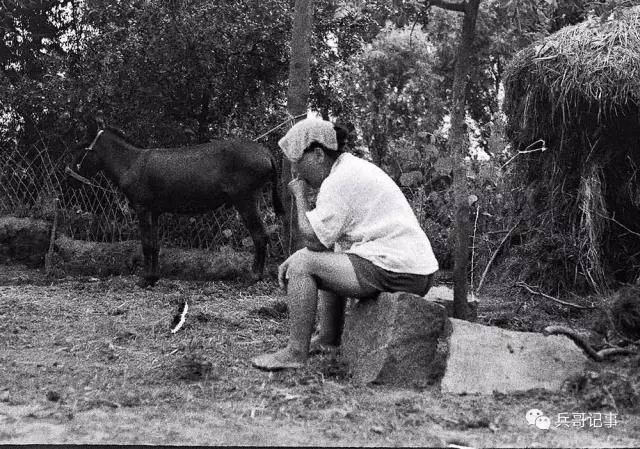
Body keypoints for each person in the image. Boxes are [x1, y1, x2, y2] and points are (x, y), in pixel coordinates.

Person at [251, 118, 439, 371]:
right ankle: (329, 338)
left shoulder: (339, 180)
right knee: (324, 257)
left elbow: (313, 239)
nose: (295, 171)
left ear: (318, 154)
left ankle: (295, 353)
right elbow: (325, 244)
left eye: (298, 161)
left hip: (398, 269)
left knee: (304, 266)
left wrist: (300, 196)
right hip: (413, 269)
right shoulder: (349, 169)